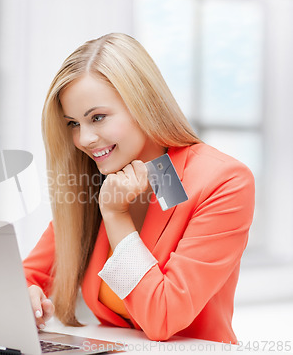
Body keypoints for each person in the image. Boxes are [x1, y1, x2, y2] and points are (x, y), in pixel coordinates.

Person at [22, 33, 255, 344]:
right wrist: (27, 295)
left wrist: (116, 216)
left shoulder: (223, 181)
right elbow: (25, 277)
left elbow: (163, 317)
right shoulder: (98, 178)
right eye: (73, 123)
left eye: (98, 117)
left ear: (143, 104)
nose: (84, 139)